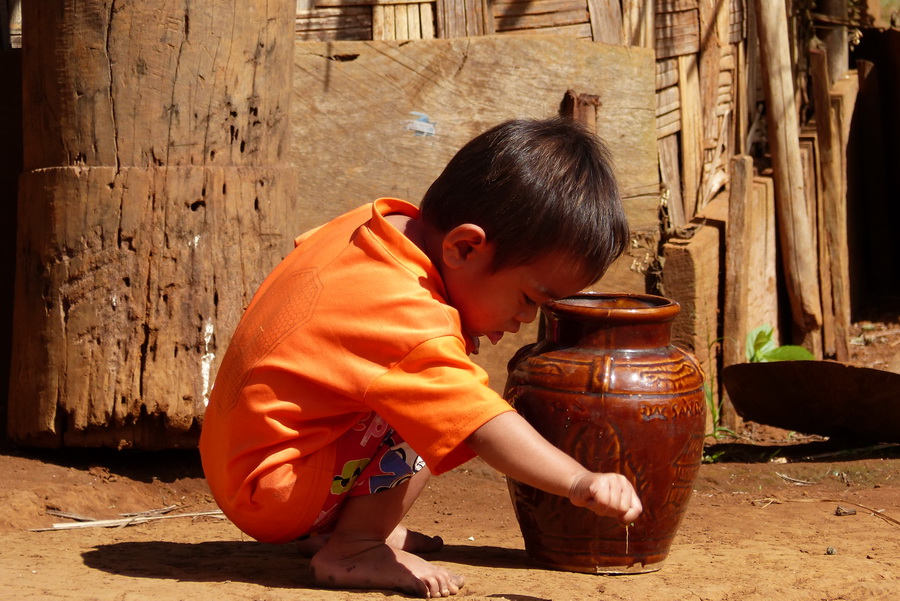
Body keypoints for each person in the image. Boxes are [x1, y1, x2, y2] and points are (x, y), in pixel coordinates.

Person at [199, 117, 643, 598]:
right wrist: (578, 480)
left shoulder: (371, 228)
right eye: (528, 299)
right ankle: (354, 547)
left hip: (244, 457)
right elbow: (480, 423)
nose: (525, 319)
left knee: (418, 381)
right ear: (464, 247)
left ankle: (343, 525)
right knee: (436, 406)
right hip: (277, 490)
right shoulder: (409, 320)